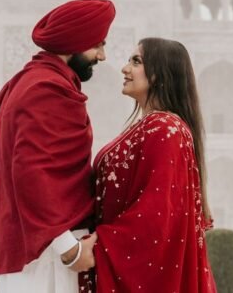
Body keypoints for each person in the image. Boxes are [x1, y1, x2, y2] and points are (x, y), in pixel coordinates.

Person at [0, 0, 116, 293]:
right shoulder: (46, 88)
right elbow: (31, 172)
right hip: (48, 255)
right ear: (76, 43)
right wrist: (69, 249)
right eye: (98, 45)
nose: (102, 56)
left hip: (37, 250)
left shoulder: (28, 81)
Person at [88, 37, 217, 293]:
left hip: (126, 266)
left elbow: (157, 214)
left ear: (159, 75)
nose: (124, 68)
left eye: (136, 61)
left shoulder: (165, 129)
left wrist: (97, 243)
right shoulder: (150, 127)